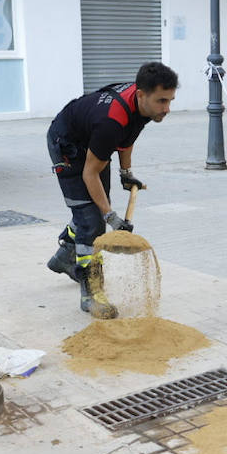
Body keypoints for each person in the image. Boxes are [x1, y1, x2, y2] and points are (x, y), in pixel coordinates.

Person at [45, 62, 179, 318]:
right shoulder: (111, 121)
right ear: (141, 95)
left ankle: (65, 256)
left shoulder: (143, 107)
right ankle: (91, 291)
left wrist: (125, 174)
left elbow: (126, 139)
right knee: (92, 219)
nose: (167, 109)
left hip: (94, 143)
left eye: (170, 100)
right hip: (68, 144)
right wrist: (110, 216)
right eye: (162, 101)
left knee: (92, 209)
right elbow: (89, 172)